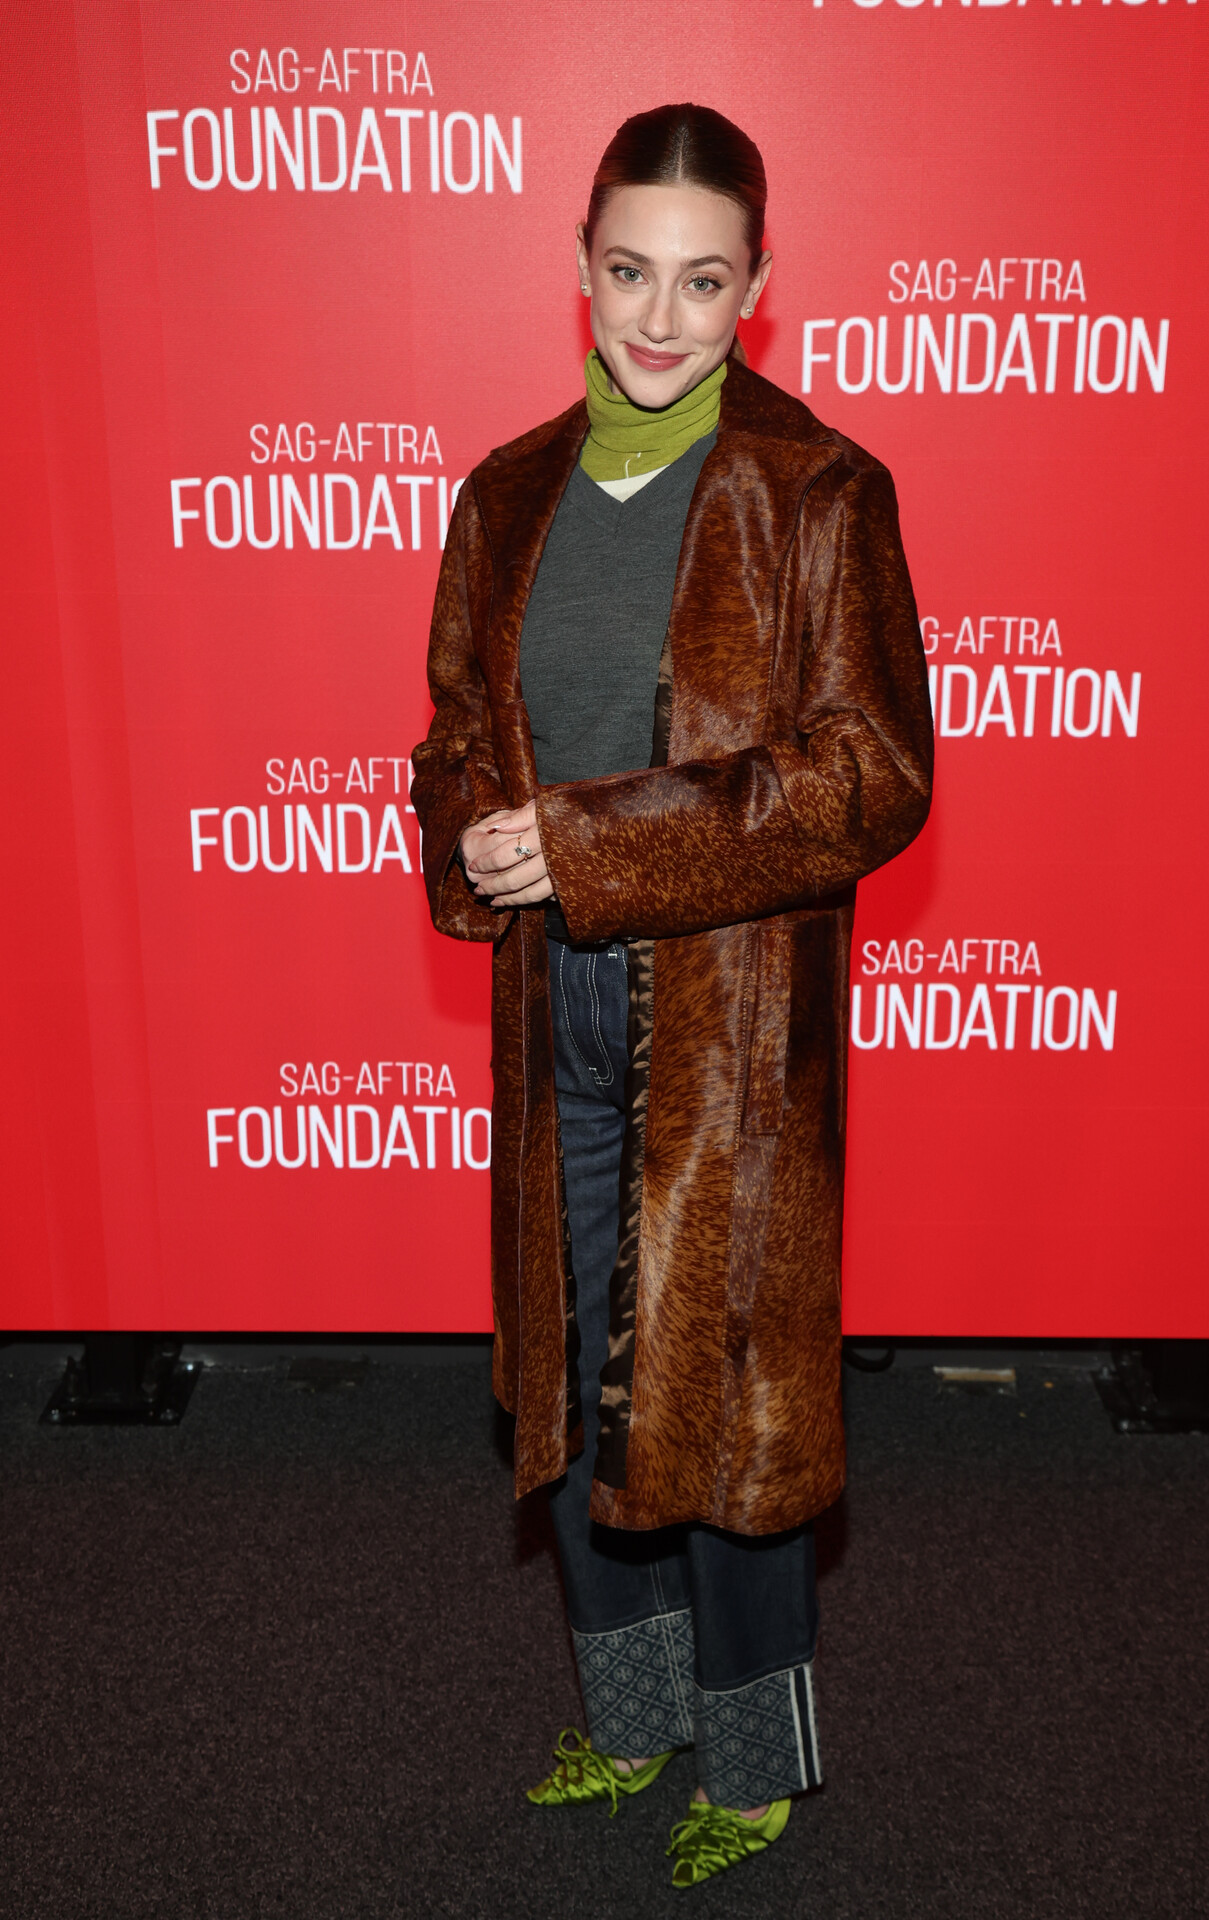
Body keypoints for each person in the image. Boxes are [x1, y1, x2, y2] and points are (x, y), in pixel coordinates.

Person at [411, 102, 933, 1888]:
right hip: (553, 1012)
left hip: (730, 1028)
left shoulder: (818, 491)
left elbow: (869, 776)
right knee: (573, 1384)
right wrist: (473, 832)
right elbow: (458, 732)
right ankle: (629, 1722)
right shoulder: (505, 492)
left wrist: (590, 844)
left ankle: (756, 1761)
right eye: (629, 270)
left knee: (724, 1407)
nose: (658, 315)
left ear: (755, 287)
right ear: (578, 265)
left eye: (701, 281)